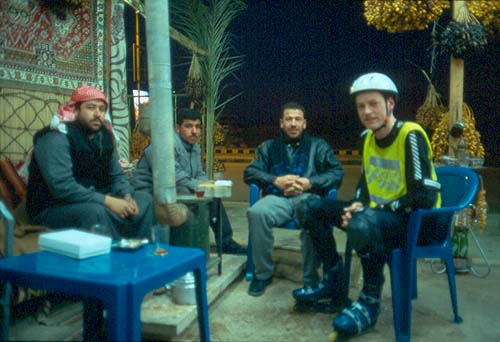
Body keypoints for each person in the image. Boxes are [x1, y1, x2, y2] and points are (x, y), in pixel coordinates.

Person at [296, 73, 442, 337]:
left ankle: (369, 302)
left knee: (363, 224)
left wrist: (374, 211)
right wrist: (356, 203)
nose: (367, 111)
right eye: (361, 106)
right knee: (308, 207)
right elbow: (367, 184)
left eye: (373, 103)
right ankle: (333, 281)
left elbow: (425, 195)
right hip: (378, 217)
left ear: (390, 103)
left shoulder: (410, 135)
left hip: (417, 223)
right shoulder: (367, 138)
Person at [243, 102, 344, 296]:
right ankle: (262, 274)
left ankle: (310, 279)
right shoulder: (269, 147)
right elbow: (250, 172)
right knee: (256, 212)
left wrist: (309, 182)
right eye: (288, 119)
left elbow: (337, 172)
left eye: (297, 119)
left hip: (306, 197)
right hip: (277, 198)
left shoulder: (318, 146)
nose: (293, 123)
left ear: (304, 123)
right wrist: (276, 180)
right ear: (281, 123)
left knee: (312, 215)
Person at [26, 86, 153, 239]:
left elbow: (116, 175)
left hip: (95, 198)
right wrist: (108, 201)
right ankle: (113, 254)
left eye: (101, 109)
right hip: (53, 207)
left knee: (144, 199)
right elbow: (63, 188)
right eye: (91, 108)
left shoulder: (103, 137)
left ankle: (137, 248)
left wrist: (126, 195)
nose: (97, 114)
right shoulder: (55, 138)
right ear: (76, 110)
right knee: (95, 212)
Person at [131, 108, 246, 254]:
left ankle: (226, 242)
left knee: (212, 196)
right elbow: (173, 175)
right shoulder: (166, 144)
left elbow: (199, 173)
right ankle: (187, 247)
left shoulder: (194, 147)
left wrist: (207, 185)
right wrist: (200, 186)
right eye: (189, 126)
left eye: (197, 127)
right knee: (190, 195)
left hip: (174, 187)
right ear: (178, 128)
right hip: (149, 191)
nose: (194, 131)